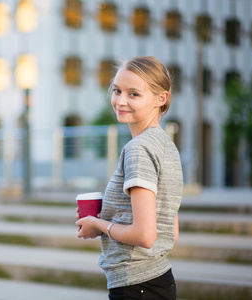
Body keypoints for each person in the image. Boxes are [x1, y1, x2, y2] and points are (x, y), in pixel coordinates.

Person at [75, 56, 183, 300]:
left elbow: (145, 236)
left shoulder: (138, 149)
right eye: (117, 91)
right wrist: (107, 218)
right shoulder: (167, 146)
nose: (120, 101)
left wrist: (99, 225)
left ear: (161, 98)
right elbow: (170, 233)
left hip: (135, 287)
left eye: (133, 94)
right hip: (158, 281)